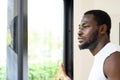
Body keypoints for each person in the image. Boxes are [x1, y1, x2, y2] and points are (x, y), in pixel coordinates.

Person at [59, 10, 120, 80]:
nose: (79, 32)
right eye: (79, 28)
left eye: (85, 26)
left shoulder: (113, 56)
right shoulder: (104, 55)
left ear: (102, 29)